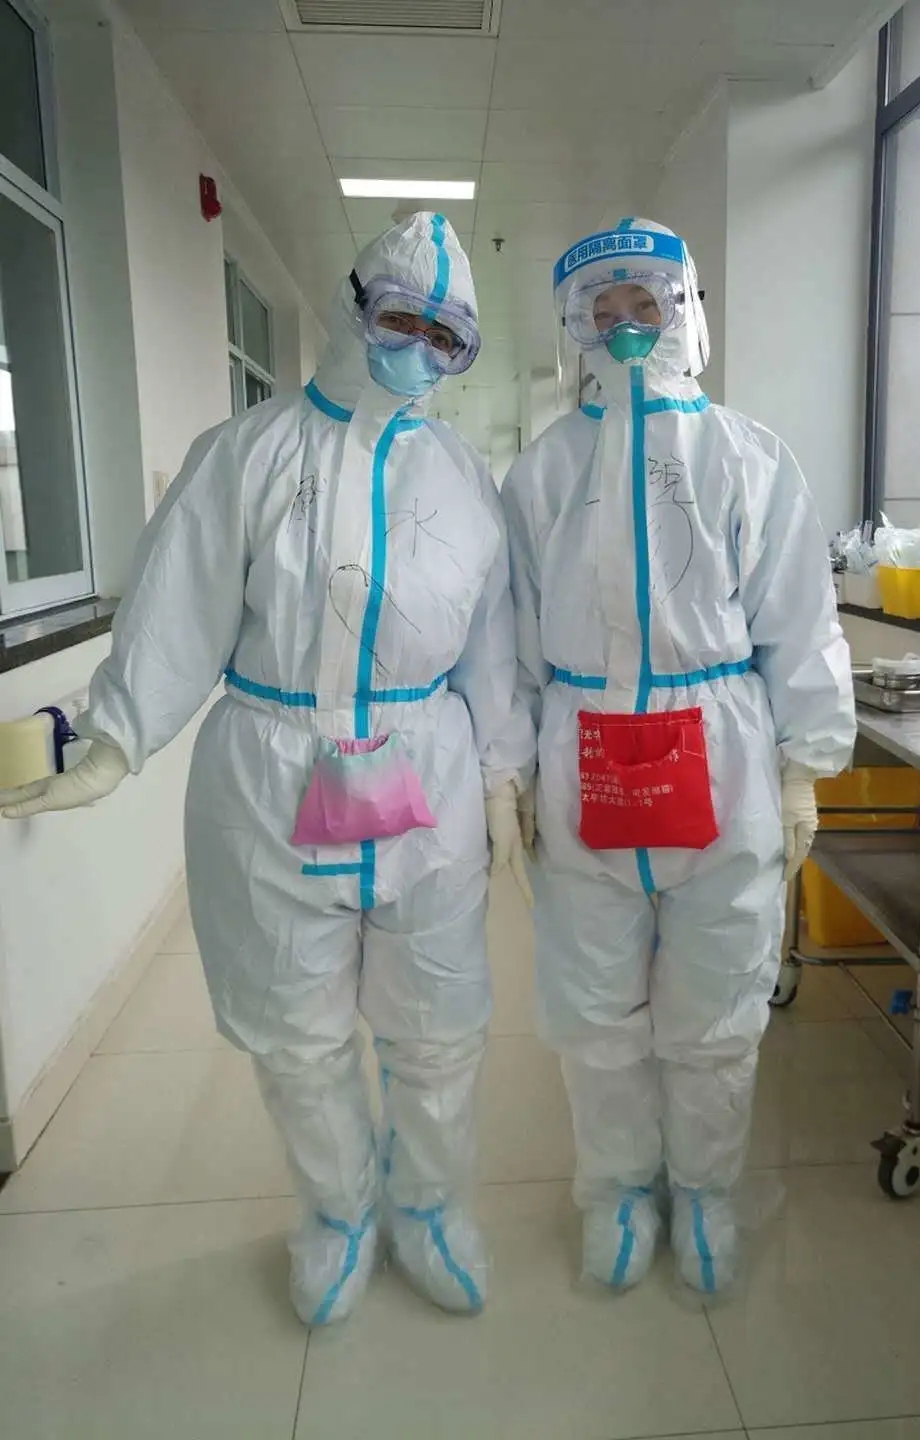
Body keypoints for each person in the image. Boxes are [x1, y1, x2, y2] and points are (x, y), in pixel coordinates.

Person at [1, 213, 533, 1325]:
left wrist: (501, 774)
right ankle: (339, 1215)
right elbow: (175, 606)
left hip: (423, 772)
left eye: (446, 339)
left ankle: (428, 1210)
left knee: (438, 1024)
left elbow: (492, 643)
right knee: (297, 1035)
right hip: (272, 771)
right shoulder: (246, 453)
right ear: (354, 306)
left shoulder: (462, 478)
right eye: (403, 320)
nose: (419, 351)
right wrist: (115, 737)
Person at [502, 218, 855, 1295]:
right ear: (575, 328)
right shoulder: (545, 470)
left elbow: (800, 618)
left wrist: (803, 766)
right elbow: (510, 633)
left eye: (644, 306)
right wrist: (513, 766)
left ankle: (704, 1192)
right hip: (583, 748)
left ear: (686, 311)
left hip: (724, 745)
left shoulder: (749, 457)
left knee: (717, 1002)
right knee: (595, 1004)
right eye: (602, 312)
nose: (625, 329)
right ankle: (616, 1192)